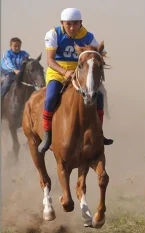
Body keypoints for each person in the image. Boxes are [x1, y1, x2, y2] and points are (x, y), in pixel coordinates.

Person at [38, 7, 113, 154]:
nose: (72, 27)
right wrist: (65, 72)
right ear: (62, 23)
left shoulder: (89, 36)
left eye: (76, 24)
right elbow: (50, 60)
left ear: (81, 23)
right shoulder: (53, 34)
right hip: (58, 72)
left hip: (80, 72)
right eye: (69, 24)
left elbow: (96, 53)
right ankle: (47, 136)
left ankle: (99, 134)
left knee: (99, 97)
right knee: (51, 96)